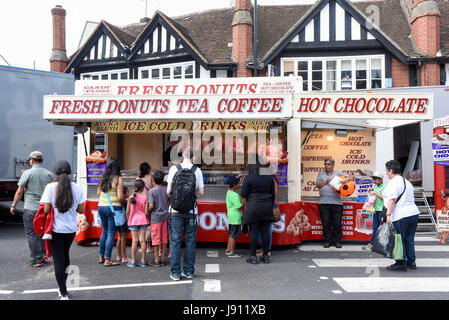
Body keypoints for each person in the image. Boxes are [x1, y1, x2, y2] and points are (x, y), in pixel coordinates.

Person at [40, 161, 85, 300]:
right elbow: (81, 210)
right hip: (71, 229)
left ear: (56, 173)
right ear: (70, 173)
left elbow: (46, 210)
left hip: (55, 229)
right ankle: (63, 287)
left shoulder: (50, 187)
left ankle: (63, 292)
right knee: (65, 256)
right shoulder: (77, 188)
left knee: (59, 260)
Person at [11, 151, 54, 267]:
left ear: (31, 161)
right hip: (45, 208)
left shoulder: (27, 173)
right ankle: (44, 255)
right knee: (43, 232)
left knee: (32, 233)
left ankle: (36, 259)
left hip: (30, 208)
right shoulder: (49, 174)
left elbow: (19, 191)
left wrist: (13, 205)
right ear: (42, 161)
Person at [167, 147, 204, 281]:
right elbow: (201, 193)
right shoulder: (197, 170)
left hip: (175, 211)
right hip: (191, 211)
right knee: (190, 241)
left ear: (183, 155)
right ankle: (188, 271)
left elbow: (168, 191)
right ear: (194, 157)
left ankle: (175, 273)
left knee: (175, 242)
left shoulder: (174, 169)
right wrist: (191, 194)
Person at [383, 160, 420, 271]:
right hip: (413, 213)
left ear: (390, 170)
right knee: (409, 239)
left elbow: (392, 199)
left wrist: (388, 214)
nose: (386, 173)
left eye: (386, 170)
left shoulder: (394, 182)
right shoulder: (406, 182)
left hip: (400, 214)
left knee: (399, 239)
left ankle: (400, 262)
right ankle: (411, 262)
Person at [241, 156, 275, 264]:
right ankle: (265, 256)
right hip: (266, 206)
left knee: (254, 231)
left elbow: (244, 194)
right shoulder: (269, 177)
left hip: (253, 207)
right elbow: (273, 194)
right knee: (265, 231)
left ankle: (253, 257)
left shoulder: (249, 178)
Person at [316, 158, 354, 249]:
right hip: (323, 203)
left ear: (333, 165)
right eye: (325, 164)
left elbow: (351, 177)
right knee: (326, 223)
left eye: (329, 164)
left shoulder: (338, 174)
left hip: (337, 203)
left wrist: (346, 179)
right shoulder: (321, 174)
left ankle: (337, 241)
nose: (327, 166)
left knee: (337, 223)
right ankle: (327, 241)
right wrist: (326, 181)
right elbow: (317, 185)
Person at [97, 158, 124, 267]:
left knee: (104, 231)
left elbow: (98, 193)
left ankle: (101, 256)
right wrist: (125, 199)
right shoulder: (118, 178)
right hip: (113, 208)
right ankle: (108, 259)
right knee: (111, 233)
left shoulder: (102, 177)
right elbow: (120, 196)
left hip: (101, 206)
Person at [126, 179, 150, 267]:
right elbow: (146, 212)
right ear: (143, 188)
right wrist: (148, 218)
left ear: (134, 188)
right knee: (143, 240)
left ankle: (133, 261)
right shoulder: (145, 197)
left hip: (133, 220)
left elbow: (128, 212)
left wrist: (128, 220)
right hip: (143, 220)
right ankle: (143, 260)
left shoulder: (130, 197)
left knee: (134, 241)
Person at [148, 170, 169, 266]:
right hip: (165, 217)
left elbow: (151, 205)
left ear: (153, 181)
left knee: (155, 238)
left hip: (155, 217)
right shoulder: (166, 189)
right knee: (164, 238)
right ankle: (163, 258)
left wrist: (147, 211)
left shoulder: (151, 191)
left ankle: (156, 259)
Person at [362, 171, 386, 251]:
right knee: (375, 228)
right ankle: (372, 243)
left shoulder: (384, 187)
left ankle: (382, 245)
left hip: (382, 211)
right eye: (374, 179)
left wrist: (375, 192)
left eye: (376, 179)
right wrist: (370, 191)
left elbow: (384, 198)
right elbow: (372, 197)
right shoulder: (375, 187)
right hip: (375, 210)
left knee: (382, 228)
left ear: (381, 180)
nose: (374, 181)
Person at [225, 176, 243, 258]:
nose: (240, 184)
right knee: (233, 236)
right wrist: (244, 200)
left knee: (231, 234)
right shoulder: (235, 195)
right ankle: (232, 252)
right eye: (239, 183)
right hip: (236, 217)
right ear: (235, 185)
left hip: (231, 216)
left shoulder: (228, 192)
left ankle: (228, 249)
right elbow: (239, 206)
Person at [138, 162, 154, 255]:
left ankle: (142, 245)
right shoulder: (150, 178)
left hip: (139, 203)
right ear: (148, 169)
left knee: (141, 224)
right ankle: (148, 246)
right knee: (148, 225)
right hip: (148, 202)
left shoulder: (138, 178)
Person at [116, 185, 130, 263]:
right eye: (128, 191)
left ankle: (119, 255)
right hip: (124, 221)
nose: (129, 193)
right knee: (123, 239)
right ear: (124, 194)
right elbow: (128, 212)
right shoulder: (126, 201)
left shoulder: (118, 201)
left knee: (119, 238)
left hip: (118, 221)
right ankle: (124, 257)